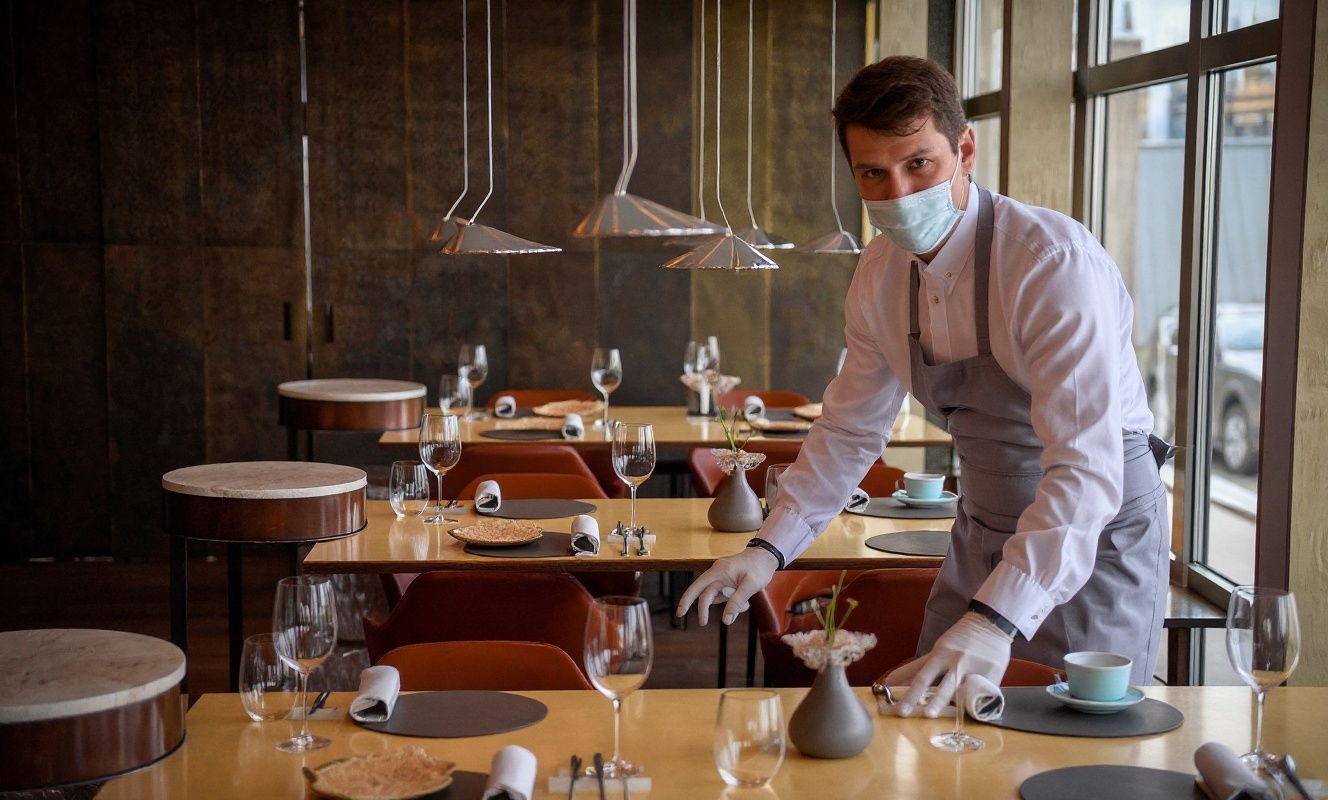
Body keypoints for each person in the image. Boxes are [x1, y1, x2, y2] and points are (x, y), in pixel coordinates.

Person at [675, 56, 1172, 718]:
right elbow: (851, 430)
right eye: (873, 174)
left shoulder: (1051, 264)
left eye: (919, 165)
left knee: (1070, 750)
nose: (899, 193)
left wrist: (995, 621)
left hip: (1096, 534)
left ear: (965, 149)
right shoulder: (879, 274)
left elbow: (1084, 468)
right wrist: (767, 551)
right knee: (942, 737)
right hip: (983, 524)